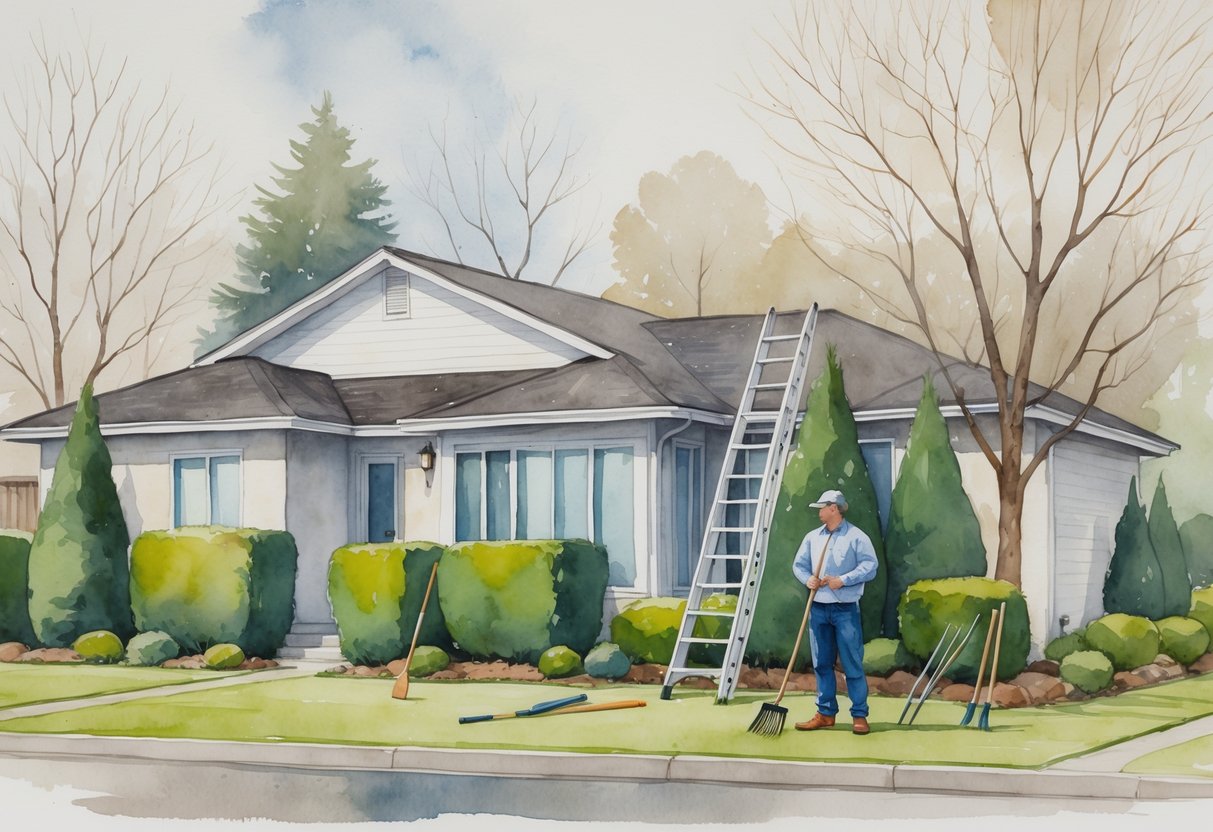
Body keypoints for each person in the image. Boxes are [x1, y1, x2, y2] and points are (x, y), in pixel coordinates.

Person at [790, 489, 878, 735]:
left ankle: (859, 716)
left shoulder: (857, 537)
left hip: (845, 609)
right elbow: (799, 565)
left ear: (834, 508)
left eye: (822, 507)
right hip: (818, 607)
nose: (818, 512)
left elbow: (870, 567)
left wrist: (844, 579)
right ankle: (825, 713)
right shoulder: (812, 538)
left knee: (852, 663)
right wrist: (808, 580)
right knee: (821, 664)